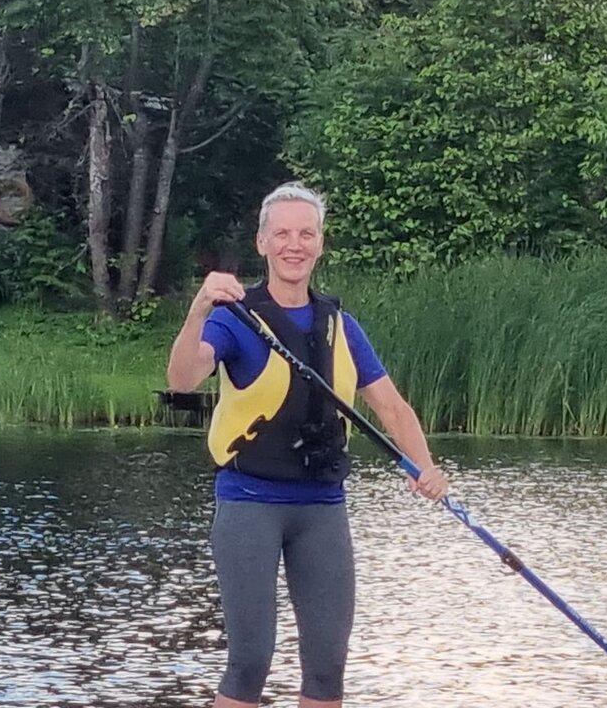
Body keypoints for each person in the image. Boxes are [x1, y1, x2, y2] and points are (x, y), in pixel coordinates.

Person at [165, 182, 449, 708]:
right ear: (262, 243)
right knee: (250, 660)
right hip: (250, 505)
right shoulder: (234, 318)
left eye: (306, 234)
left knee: (326, 667)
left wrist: (424, 467)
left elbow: (392, 407)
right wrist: (198, 308)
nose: (294, 245)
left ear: (319, 244)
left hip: (322, 508)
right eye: (282, 234)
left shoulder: (341, 326)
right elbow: (182, 379)